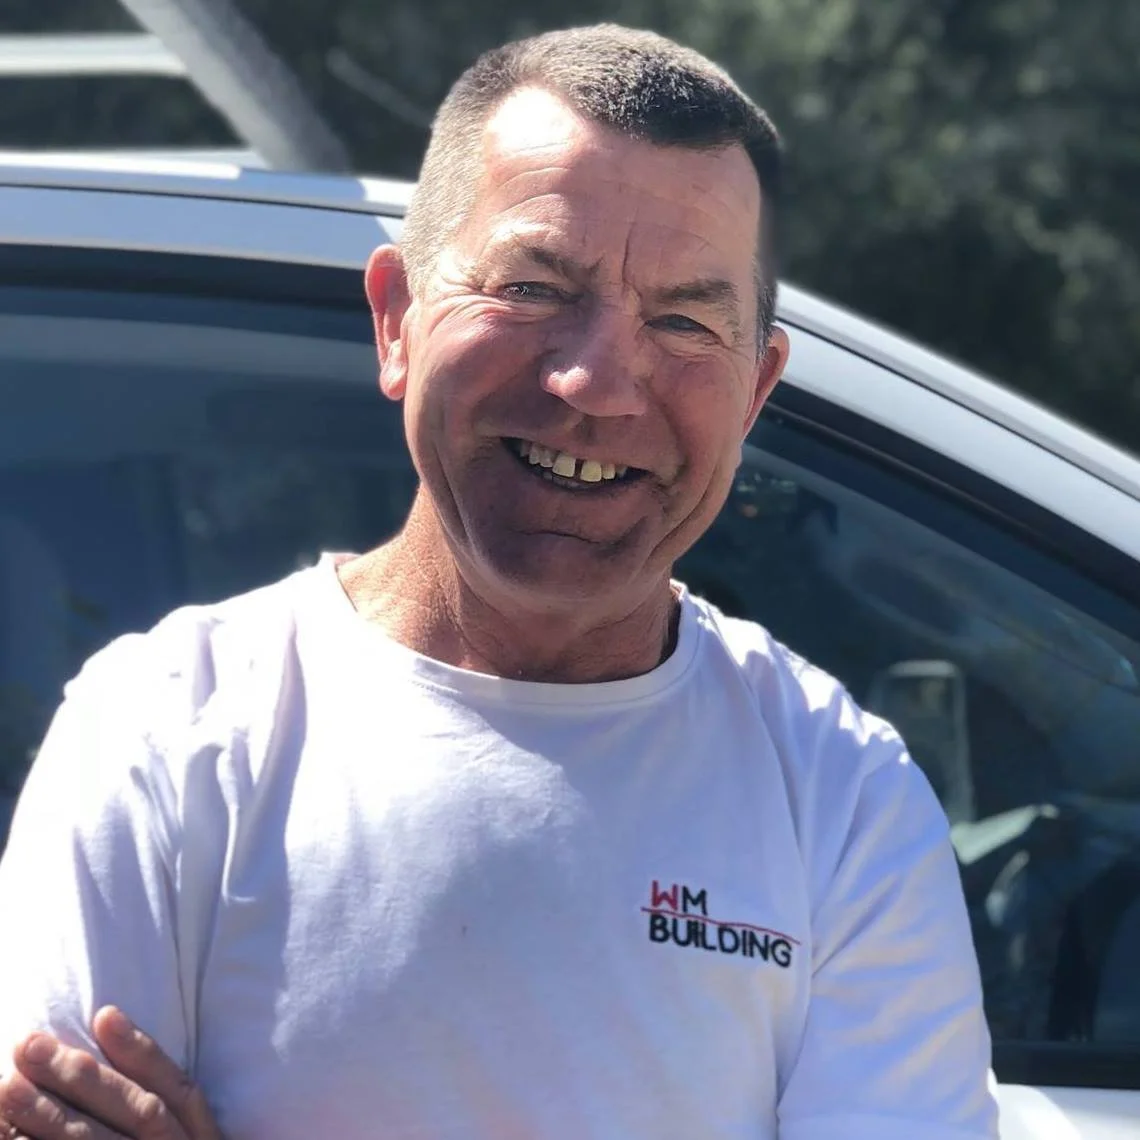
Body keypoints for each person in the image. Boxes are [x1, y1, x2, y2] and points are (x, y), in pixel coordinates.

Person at [0, 23, 998, 1140]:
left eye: (682, 320)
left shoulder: (844, 803)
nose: (596, 383)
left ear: (756, 391)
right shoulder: (163, 732)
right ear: (395, 321)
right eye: (533, 287)